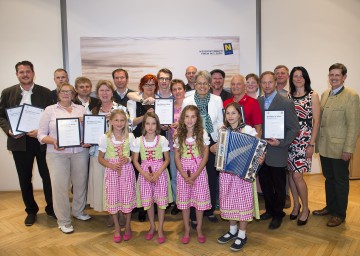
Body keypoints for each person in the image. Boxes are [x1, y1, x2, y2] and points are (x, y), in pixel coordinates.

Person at [0, 60, 54, 226]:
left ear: (33, 73)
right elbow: (1, 116)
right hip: (19, 142)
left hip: (42, 141)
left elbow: (52, 116)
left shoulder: (46, 93)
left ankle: (52, 209)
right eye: (21, 72)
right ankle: (31, 211)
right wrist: (8, 130)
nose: (25, 74)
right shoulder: (8, 92)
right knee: (25, 178)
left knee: (48, 177)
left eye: (28, 71)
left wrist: (40, 131)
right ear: (17, 74)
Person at [38, 83, 91, 234]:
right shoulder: (50, 110)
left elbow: (89, 130)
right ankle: (63, 221)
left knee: (80, 184)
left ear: (74, 94)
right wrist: (53, 141)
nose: (66, 94)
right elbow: (41, 135)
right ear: (58, 93)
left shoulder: (81, 109)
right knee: (60, 187)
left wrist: (86, 136)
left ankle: (78, 211)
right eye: (63, 91)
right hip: (56, 154)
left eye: (69, 91)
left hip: (80, 151)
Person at [313, 63, 360, 227]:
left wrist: (348, 149)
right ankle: (331, 207)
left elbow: (354, 125)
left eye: (337, 75)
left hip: (340, 149)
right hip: (325, 146)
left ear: (344, 77)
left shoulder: (351, 95)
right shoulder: (326, 93)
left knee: (340, 181)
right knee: (329, 179)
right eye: (331, 75)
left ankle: (340, 214)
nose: (333, 77)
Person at [216, 102, 263, 252]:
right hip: (227, 174)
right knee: (229, 201)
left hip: (242, 174)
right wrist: (214, 148)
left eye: (233, 113)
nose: (230, 116)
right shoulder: (222, 130)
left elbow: (259, 148)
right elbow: (216, 149)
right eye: (228, 113)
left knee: (242, 203)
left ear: (239, 115)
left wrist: (260, 158)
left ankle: (242, 234)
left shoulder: (248, 129)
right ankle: (232, 230)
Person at [257, 71, 299, 229]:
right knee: (265, 183)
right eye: (264, 82)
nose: (267, 85)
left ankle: (278, 213)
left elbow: (294, 128)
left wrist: (281, 143)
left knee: (279, 186)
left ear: (275, 83)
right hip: (261, 152)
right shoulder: (258, 101)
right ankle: (269, 209)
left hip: (278, 151)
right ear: (261, 84)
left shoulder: (286, 102)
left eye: (270, 82)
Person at [182, 70, 223, 225]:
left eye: (205, 83)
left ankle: (209, 210)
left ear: (210, 84)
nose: (202, 86)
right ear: (195, 84)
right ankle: (193, 214)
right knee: (195, 178)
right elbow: (184, 122)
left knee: (211, 177)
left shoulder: (217, 100)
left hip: (212, 141)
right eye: (199, 83)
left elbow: (219, 121)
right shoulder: (188, 100)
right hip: (193, 142)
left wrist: (219, 140)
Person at [86, 80, 130, 227]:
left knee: (120, 186)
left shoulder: (121, 108)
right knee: (104, 186)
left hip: (119, 155)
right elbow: (86, 129)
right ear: (97, 93)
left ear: (112, 92)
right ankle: (111, 214)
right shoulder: (92, 109)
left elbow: (128, 127)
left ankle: (121, 213)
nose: (105, 93)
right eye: (101, 91)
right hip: (98, 153)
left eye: (107, 90)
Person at [131, 112, 172, 244]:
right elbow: (135, 160)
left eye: (153, 123)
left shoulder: (162, 140)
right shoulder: (138, 141)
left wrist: (158, 173)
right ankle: (152, 226)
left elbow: (167, 160)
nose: (150, 126)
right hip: (145, 175)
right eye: (148, 123)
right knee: (148, 203)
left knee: (160, 203)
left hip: (160, 174)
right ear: (144, 125)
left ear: (157, 125)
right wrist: (144, 174)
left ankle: (160, 228)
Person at [287, 67, 320, 226]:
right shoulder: (288, 96)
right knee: (291, 174)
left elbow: (317, 122)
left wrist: (311, 144)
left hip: (305, 140)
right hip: (290, 140)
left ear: (305, 78)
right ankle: (296, 205)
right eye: (295, 76)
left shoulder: (313, 96)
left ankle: (306, 208)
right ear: (291, 79)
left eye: (301, 76)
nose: (298, 79)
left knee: (297, 176)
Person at [174, 105, 211, 244]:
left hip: (199, 171)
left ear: (197, 119)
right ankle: (187, 229)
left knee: (199, 203)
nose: (190, 119)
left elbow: (205, 156)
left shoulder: (202, 133)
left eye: (193, 116)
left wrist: (195, 174)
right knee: (185, 203)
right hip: (183, 171)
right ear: (183, 118)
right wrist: (183, 174)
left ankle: (199, 228)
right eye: (187, 116)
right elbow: (177, 157)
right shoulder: (179, 134)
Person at [98, 109, 136, 243]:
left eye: (122, 120)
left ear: (126, 122)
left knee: (127, 198)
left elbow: (135, 156)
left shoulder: (130, 137)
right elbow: (100, 158)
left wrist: (129, 159)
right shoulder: (105, 137)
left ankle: (127, 226)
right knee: (113, 199)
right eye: (116, 120)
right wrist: (111, 165)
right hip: (112, 171)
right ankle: (116, 228)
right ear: (111, 122)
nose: (119, 123)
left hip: (126, 171)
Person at [274, 64, 292, 209]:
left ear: (287, 75)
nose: (280, 75)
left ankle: (286, 195)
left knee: (288, 170)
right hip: (275, 139)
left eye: (283, 73)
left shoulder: (290, 95)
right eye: (277, 73)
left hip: (289, 136)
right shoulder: (266, 94)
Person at [168, 79, 186, 215]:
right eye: (174, 89)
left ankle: (188, 200)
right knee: (174, 175)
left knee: (186, 174)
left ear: (184, 90)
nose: (177, 91)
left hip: (188, 147)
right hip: (173, 147)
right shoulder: (168, 106)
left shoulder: (189, 105)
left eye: (179, 88)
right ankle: (177, 202)